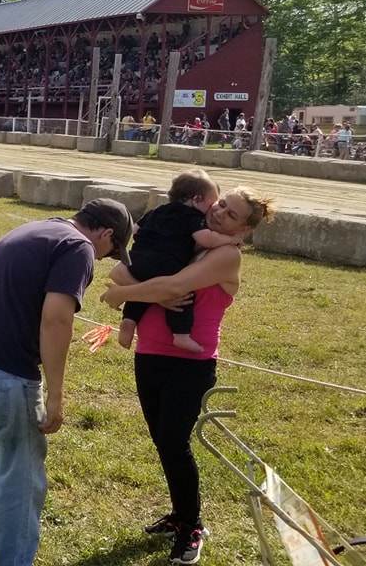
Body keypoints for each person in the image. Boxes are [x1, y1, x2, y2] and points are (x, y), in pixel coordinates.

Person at [0, 198, 134, 566]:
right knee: (21, 475)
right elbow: (57, 320)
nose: (105, 259)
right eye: (111, 251)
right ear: (106, 233)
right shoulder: (78, 247)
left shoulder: (37, 228)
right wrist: (56, 394)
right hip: (4, 375)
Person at [100, 187, 275, 565]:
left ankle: (192, 525)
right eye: (221, 204)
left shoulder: (227, 255)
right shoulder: (188, 237)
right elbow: (122, 269)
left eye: (230, 215)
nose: (219, 213)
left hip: (191, 364)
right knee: (163, 442)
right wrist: (152, 294)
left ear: (243, 230)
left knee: (174, 443)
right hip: (149, 354)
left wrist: (125, 295)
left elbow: (174, 286)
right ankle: (180, 516)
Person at [117, 170, 242, 353]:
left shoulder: (156, 210)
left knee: (145, 282)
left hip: (137, 258)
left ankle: (128, 321)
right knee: (183, 293)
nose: (212, 210)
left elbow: (135, 230)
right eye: (211, 204)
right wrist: (231, 240)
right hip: (167, 261)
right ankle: (181, 335)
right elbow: (205, 239)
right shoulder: (192, 216)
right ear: (197, 199)